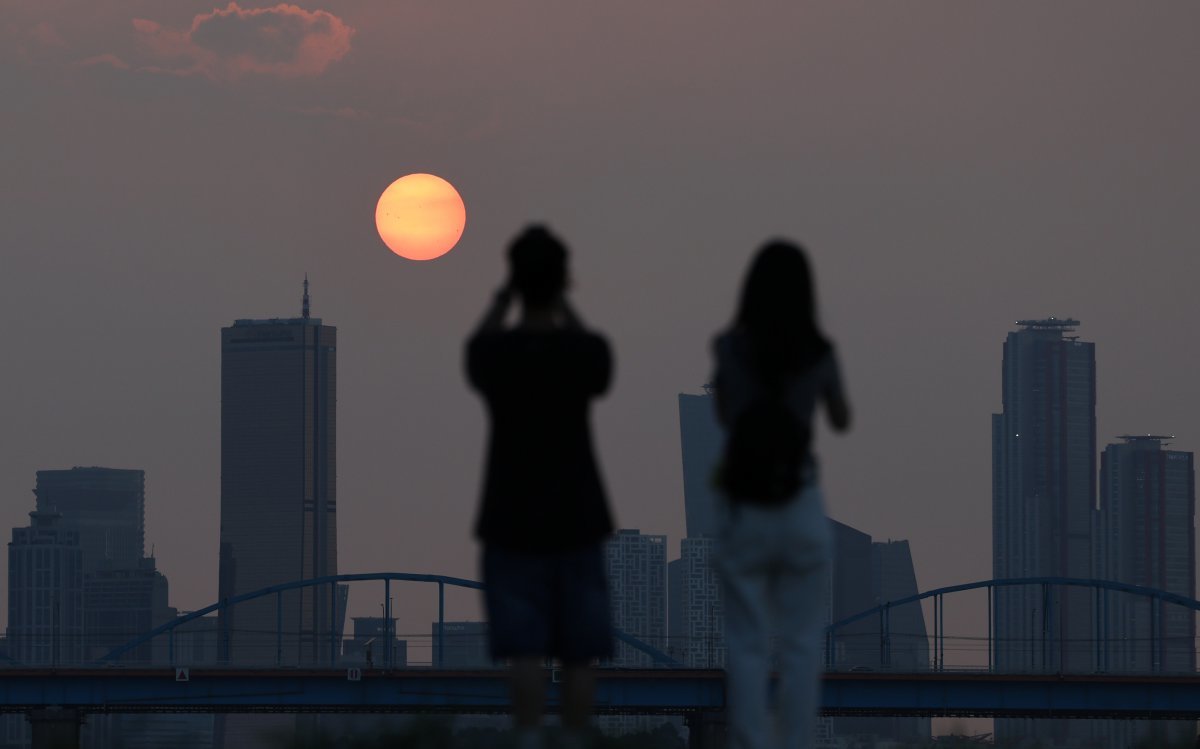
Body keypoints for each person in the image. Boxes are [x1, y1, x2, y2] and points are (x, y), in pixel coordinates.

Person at [466, 225, 615, 749]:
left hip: (510, 520)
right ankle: (575, 740)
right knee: (579, 653)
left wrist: (504, 297)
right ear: (563, 281)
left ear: (515, 281)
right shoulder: (582, 354)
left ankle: (528, 738)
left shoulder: (498, 356)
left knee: (524, 650)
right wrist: (563, 302)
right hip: (578, 517)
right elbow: (599, 361)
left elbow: (476, 348)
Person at [712, 240, 851, 749]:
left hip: (746, 508)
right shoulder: (819, 351)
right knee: (800, 644)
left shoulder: (729, 348)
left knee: (746, 644)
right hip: (800, 504)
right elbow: (840, 418)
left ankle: (750, 741)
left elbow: (726, 415)